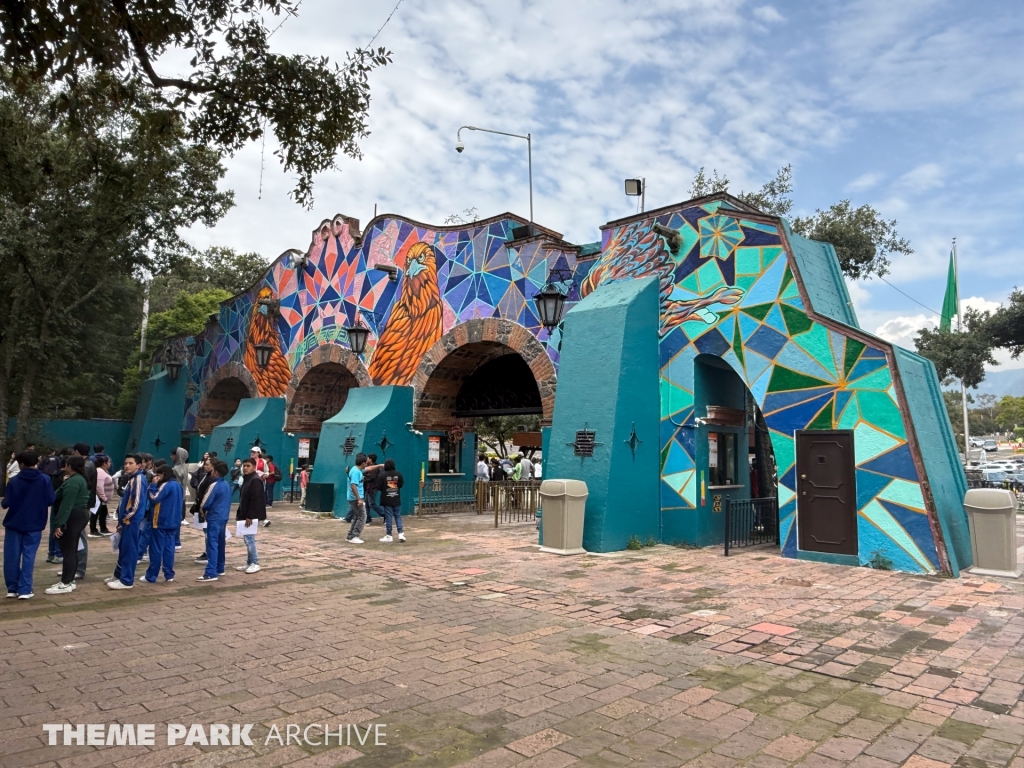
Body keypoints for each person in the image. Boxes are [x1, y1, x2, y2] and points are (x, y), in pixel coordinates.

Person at [3, 450, 55, 599]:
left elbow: (6, 503)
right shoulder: (44, 479)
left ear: (21, 464)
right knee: (29, 555)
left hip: (14, 522)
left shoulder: (14, 481)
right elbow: (50, 499)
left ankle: (12, 587)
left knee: (11, 556)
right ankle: (25, 589)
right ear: (36, 463)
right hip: (35, 522)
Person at [45, 456, 90, 595]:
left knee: (69, 550)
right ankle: (69, 580)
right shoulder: (77, 479)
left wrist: (59, 523)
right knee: (71, 549)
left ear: (69, 466)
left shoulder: (74, 481)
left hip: (73, 516)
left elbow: (66, 504)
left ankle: (66, 582)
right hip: (78, 515)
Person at [107, 455, 147, 590]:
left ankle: (126, 580)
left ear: (139, 465)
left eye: (131, 463)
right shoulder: (132, 479)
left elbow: (136, 504)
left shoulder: (138, 479)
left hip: (131, 521)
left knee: (129, 550)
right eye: (126, 463)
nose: (127, 466)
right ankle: (119, 575)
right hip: (126, 520)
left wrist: (126, 518)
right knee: (124, 548)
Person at [144, 466, 182, 583]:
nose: (156, 477)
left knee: (156, 549)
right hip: (173, 521)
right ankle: (169, 574)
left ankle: (151, 575)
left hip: (160, 521)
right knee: (169, 548)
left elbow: (154, 498)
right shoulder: (178, 485)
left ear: (164, 474)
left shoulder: (166, 485)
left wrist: (153, 486)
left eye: (158, 475)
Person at [198, 460, 231, 582]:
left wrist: (203, 511)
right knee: (221, 543)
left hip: (214, 517)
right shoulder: (226, 485)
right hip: (223, 516)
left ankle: (211, 572)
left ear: (215, 472)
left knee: (212, 544)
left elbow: (205, 503)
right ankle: (220, 567)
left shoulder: (214, 485)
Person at [235, 458, 266, 574]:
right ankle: (249, 562)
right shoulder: (246, 479)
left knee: (249, 539)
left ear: (254, 467)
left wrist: (250, 516)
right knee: (247, 538)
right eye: (244, 466)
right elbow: (243, 498)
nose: (245, 468)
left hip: (250, 516)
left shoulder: (255, 480)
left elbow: (255, 499)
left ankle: (255, 562)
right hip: (244, 514)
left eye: (248, 466)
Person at [191, 454, 216, 565]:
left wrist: (205, 508)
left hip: (207, 510)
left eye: (207, 465)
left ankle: (210, 553)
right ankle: (207, 551)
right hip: (201, 507)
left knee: (209, 533)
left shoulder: (212, 479)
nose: (204, 466)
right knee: (206, 532)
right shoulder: (205, 475)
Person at [378, 459, 406, 543]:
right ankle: (401, 533)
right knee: (398, 515)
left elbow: (379, 486)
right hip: (396, 497)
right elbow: (400, 485)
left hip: (386, 498)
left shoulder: (382, 475)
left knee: (388, 516)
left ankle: (389, 535)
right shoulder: (398, 474)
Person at [89, 455, 114, 536]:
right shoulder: (99, 472)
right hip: (99, 498)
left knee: (103, 513)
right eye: (109, 462)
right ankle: (93, 530)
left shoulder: (103, 471)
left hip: (102, 499)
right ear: (104, 463)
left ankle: (103, 528)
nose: (110, 464)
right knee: (95, 513)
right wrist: (103, 497)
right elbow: (99, 486)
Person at [346, 453, 368, 544]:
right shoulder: (356, 472)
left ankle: (350, 535)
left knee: (357, 517)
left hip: (353, 497)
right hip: (355, 498)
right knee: (363, 516)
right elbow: (353, 485)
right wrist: (359, 499)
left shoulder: (355, 470)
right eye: (366, 463)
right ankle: (355, 535)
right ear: (363, 463)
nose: (366, 465)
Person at [171, 448, 189, 550]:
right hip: (181, 495)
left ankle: (176, 541)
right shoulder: (185, 467)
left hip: (176, 496)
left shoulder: (176, 469)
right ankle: (176, 540)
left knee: (175, 518)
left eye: (173, 455)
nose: (171, 457)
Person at [363, 453, 382, 525]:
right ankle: (367, 518)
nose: (366, 460)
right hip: (369, 488)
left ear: (370, 460)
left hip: (372, 488)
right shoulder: (370, 466)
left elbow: (372, 477)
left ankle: (384, 514)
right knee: (366, 504)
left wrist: (364, 477)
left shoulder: (373, 468)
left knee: (371, 504)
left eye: (368, 458)